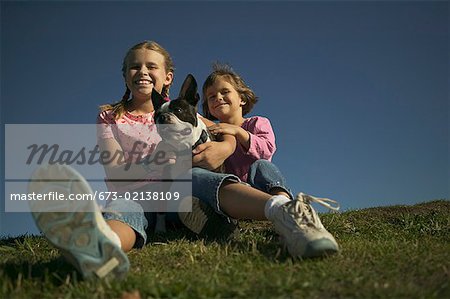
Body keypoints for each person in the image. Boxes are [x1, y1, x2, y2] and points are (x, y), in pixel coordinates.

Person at [29, 41, 339, 280]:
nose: (142, 71)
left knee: (197, 179)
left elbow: (220, 131)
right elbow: (116, 169)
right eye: (134, 67)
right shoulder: (109, 116)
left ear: (167, 78)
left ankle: (286, 214)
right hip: (138, 194)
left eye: (151, 66)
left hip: (183, 190)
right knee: (124, 209)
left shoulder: (180, 111)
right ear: (125, 75)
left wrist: (226, 148)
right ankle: (99, 245)